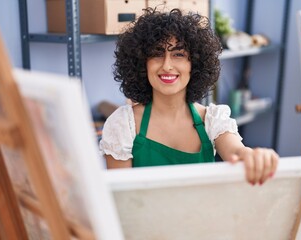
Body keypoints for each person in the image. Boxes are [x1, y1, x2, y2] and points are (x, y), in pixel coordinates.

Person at [99, 7, 278, 185]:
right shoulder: (123, 125)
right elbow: (120, 202)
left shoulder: (212, 120)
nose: (167, 65)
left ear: (195, 63)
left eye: (178, 54)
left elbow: (238, 152)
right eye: (157, 54)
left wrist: (253, 156)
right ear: (141, 63)